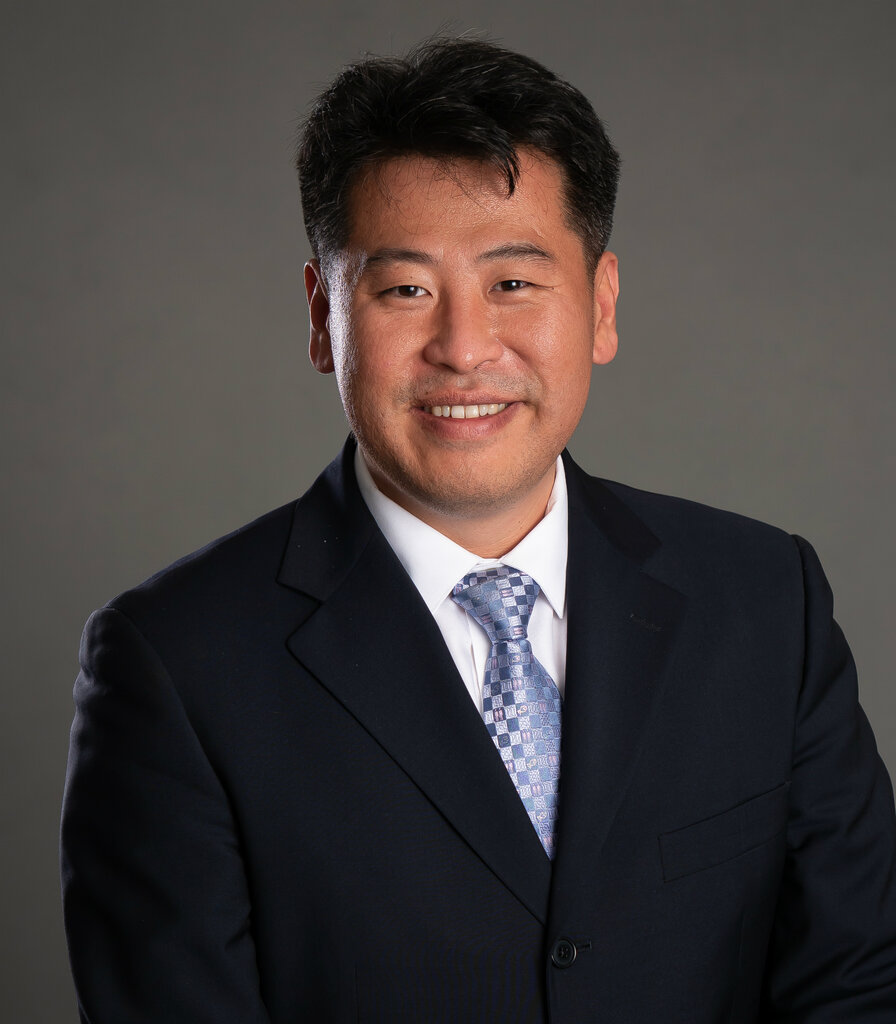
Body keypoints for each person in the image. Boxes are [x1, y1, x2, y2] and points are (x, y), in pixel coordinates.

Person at [60, 37, 896, 1022]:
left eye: (513, 283)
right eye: (405, 289)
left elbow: (858, 984)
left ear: (601, 306)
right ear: (323, 316)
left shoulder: (764, 600)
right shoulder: (173, 664)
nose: (462, 349)